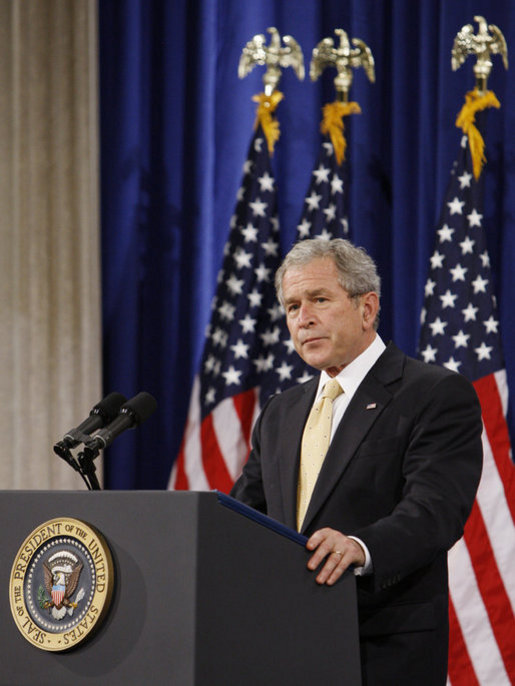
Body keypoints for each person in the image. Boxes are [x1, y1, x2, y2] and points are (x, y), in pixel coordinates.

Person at [231, 238, 483, 685]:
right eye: (291, 307)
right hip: (284, 649)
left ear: (367, 309)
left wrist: (361, 547)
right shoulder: (279, 412)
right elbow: (243, 518)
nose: (302, 319)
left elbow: (435, 509)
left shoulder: (432, 394)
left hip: (380, 649)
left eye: (319, 300)